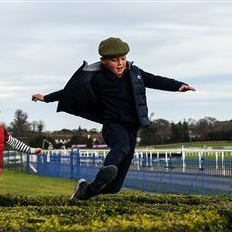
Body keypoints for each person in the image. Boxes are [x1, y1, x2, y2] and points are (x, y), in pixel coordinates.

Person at [31, 37, 195, 200]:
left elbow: (156, 80)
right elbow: (69, 92)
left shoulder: (135, 73)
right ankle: (107, 168)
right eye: (115, 60)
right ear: (104, 61)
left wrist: (178, 86)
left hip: (133, 127)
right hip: (113, 125)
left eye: (123, 58)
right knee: (121, 146)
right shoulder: (97, 79)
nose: (120, 63)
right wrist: (46, 98)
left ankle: (85, 192)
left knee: (115, 187)